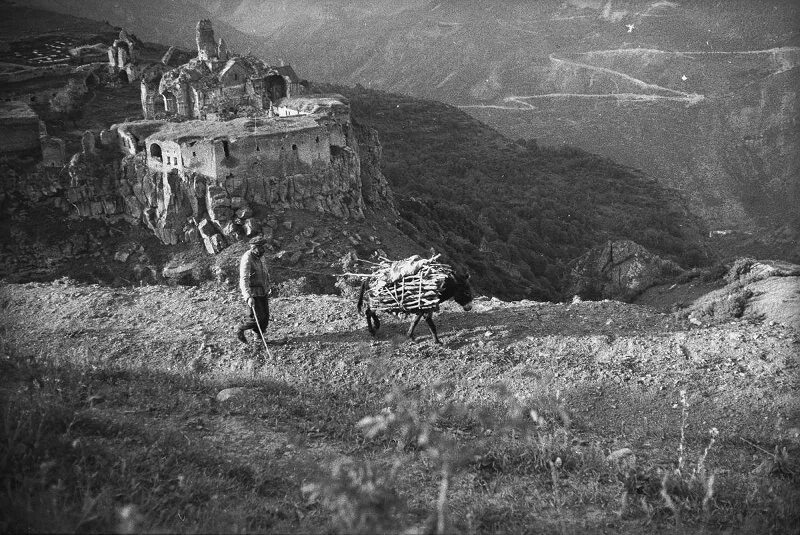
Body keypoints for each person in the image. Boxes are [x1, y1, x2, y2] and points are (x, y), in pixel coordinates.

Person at [236, 236, 271, 344]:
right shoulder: (247, 258)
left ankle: (258, 337)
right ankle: (240, 328)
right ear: (254, 248)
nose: (263, 249)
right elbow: (244, 279)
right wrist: (248, 297)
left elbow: (265, 272)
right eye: (261, 247)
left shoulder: (261, 256)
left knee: (265, 316)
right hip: (253, 293)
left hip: (263, 290)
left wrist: (268, 286)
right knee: (256, 318)